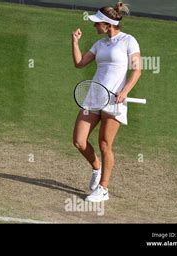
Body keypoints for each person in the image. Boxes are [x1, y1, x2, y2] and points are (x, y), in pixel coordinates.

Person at [71, 1, 142, 202]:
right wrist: (75, 42)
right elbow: (79, 63)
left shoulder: (129, 41)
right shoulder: (99, 44)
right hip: (94, 96)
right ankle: (96, 167)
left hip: (115, 100)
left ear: (107, 24)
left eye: (97, 23)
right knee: (79, 140)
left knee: (104, 144)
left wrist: (125, 91)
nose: (94, 26)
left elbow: (137, 69)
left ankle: (103, 188)